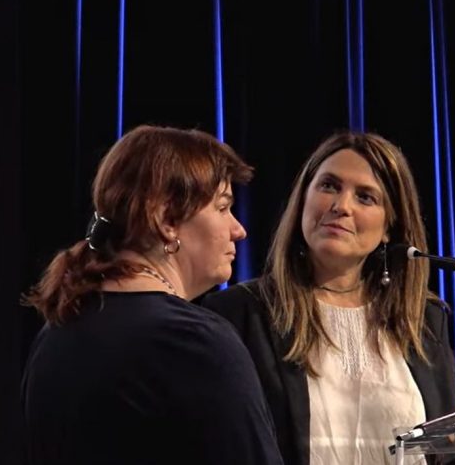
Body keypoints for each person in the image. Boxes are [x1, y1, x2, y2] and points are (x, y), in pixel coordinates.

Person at [21, 124, 285, 465]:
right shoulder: (193, 342)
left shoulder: (57, 330)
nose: (239, 229)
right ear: (167, 220)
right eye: (222, 208)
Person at [202, 131, 455, 465]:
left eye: (365, 197)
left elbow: (452, 452)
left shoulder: (424, 319)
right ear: (302, 200)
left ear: (388, 229)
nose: (341, 206)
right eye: (329, 186)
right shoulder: (240, 313)